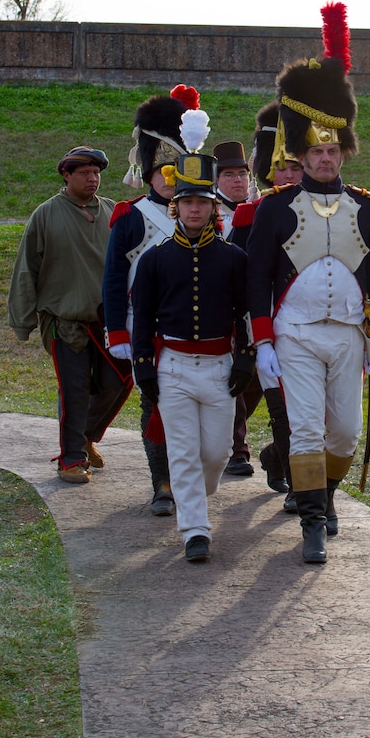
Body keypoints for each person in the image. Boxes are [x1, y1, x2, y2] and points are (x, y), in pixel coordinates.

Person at [246, 3, 370, 563]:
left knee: (344, 438)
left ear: (343, 152)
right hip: (296, 335)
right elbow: (257, 278)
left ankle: (325, 493)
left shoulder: (367, 207)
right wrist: (262, 340)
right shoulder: (275, 209)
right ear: (300, 154)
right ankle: (311, 520)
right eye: (317, 151)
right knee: (306, 431)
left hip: (348, 338)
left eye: (334, 151)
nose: (326, 159)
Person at [131, 117, 256, 563]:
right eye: (187, 202)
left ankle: (193, 500)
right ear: (176, 208)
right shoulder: (154, 261)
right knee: (182, 451)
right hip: (174, 368)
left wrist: (245, 360)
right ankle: (195, 531)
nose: (194, 209)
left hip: (220, 366)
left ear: (213, 207)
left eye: (202, 201)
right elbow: (142, 318)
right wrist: (144, 367)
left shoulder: (234, 259)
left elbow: (245, 314)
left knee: (216, 454)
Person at [8, 146, 133, 483]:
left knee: (118, 381)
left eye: (96, 173)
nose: (92, 179)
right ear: (66, 175)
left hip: (109, 322)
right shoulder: (46, 214)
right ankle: (72, 460)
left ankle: (86, 437)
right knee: (74, 390)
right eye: (84, 173)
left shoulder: (113, 212)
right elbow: (26, 270)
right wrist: (23, 320)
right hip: (65, 324)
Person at [102, 86, 200, 516]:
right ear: (148, 173)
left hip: (195, 326)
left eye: (175, 170)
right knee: (155, 403)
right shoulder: (130, 215)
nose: (169, 179)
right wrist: (118, 330)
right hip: (144, 327)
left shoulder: (203, 213)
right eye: (161, 172)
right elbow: (113, 278)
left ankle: (188, 479)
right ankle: (162, 482)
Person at [231, 99, 303, 512]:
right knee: (281, 409)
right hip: (267, 327)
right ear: (268, 171)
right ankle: (298, 487)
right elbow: (243, 277)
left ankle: (277, 458)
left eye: (296, 166)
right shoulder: (248, 214)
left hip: (316, 328)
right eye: (282, 167)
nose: (289, 174)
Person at [213, 139, 262, 477]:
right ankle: (238, 450)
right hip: (221, 308)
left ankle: (233, 439)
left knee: (257, 380)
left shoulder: (263, 209)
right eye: (229, 174)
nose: (238, 181)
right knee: (233, 375)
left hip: (258, 306)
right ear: (216, 180)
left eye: (242, 174)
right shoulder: (207, 212)